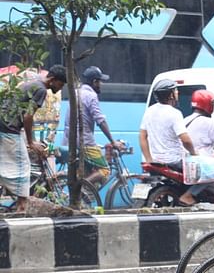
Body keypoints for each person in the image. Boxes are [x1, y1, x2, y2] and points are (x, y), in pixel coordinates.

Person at [0, 65, 67, 211]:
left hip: (3, 126)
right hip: (9, 129)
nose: (60, 89)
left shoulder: (32, 82)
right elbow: (28, 115)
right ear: (53, 80)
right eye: (60, 85)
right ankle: (21, 205)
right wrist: (31, 142)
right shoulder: (41, 89)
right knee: (23, 167)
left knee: (6, 166)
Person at [139, 79, 206, 207]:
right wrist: (194, 153)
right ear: (170, 95)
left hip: (156, 162)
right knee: (209, 171)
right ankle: (188, 196)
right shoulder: (174, 113)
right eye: (175, 91)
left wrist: (149, 159)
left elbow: (142, 136)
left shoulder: (149, 111)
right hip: (175, 161)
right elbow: (185, 139)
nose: (177, 93)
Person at [63, 66, 123, 186]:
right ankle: (79, 187)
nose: (101, 84)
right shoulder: (91, 96)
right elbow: (100, 120)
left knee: (85, 173)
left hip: (69, 141)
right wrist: (112, 141)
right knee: (105, 170)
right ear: (95, 82)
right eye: (100, 81)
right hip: (85, 142)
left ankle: (83, 197)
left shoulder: (75, 92)